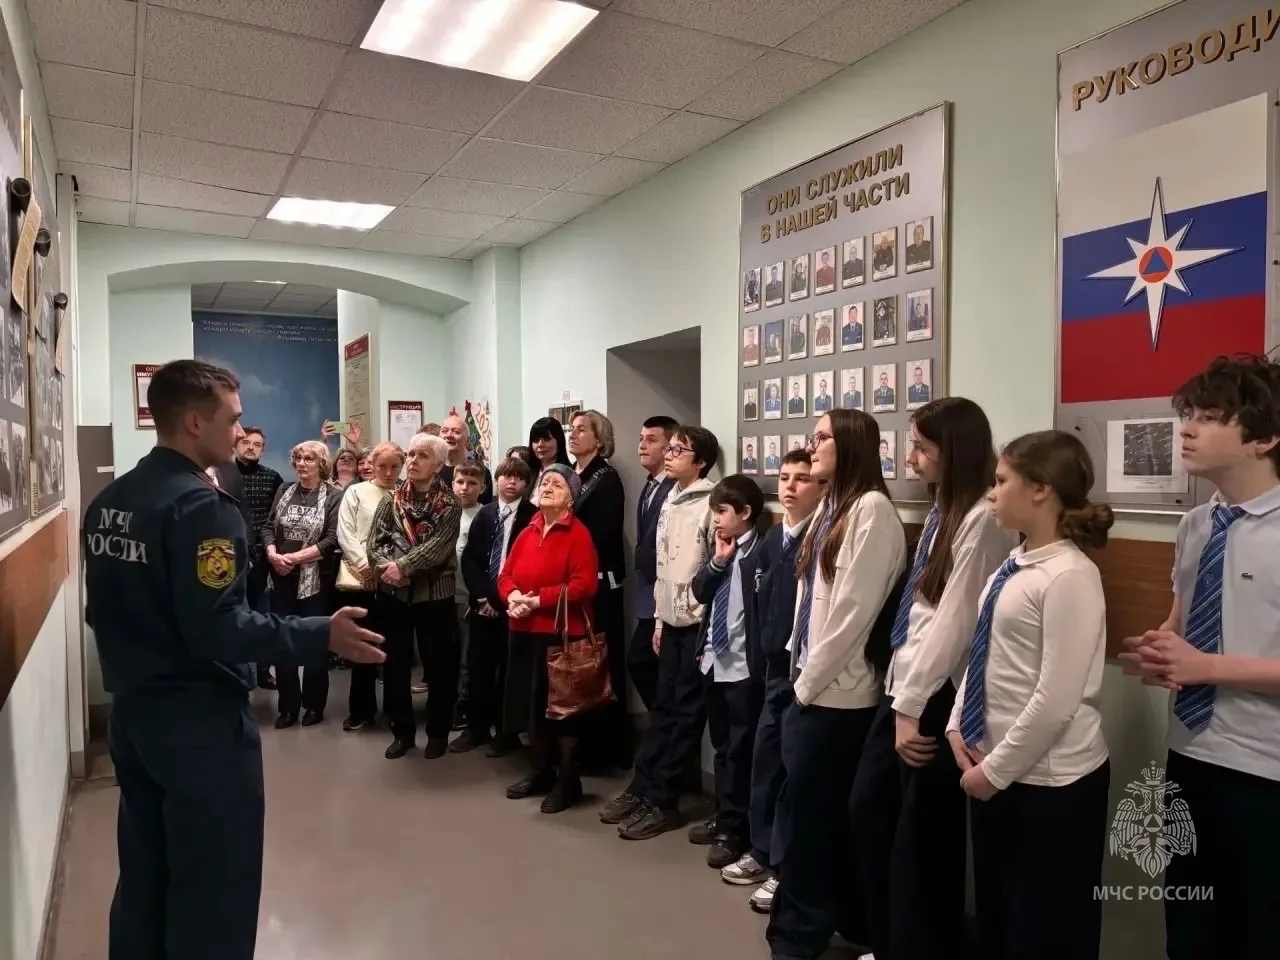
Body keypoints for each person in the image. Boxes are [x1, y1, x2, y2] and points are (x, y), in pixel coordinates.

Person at [83, 359, 384, 960]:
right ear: (195, 422)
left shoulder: (113, 499)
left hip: (134, 716)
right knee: (213, 889)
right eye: (233, 419)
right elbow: (219, 627)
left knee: (145, 875)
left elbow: (102, 611)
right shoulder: (202, 508)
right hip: (198, 723)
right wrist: (318, 635)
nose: (241, 431)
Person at [1119, 354, 1280, 960]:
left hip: (1266, 770)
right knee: (1190, 933)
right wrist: (1161, 649)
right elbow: (1182, 622)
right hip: (1190, 753)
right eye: (1190, 414)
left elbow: (1206, 659)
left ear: (1265, 437)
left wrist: (1207, 667)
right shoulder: (1195, 524)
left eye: (1211, 418)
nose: (1187, 429)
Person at [849, 398, 1015, 960]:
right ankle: (893, 938)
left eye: (921, 447)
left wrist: (910, 706)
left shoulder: (982, 519)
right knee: (874, 810)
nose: (910, 457)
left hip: (937, 692)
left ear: (954, 451)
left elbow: (956, 621)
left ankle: (916, 945)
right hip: (908, 683)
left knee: (921, 833)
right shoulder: (945, 508)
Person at [947, 430, 1112, 960]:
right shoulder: (1013, 564)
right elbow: (984, 654)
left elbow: (1056, 699)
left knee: (1046, 927)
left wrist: (993, 773)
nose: (992, 493)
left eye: (1001, 482)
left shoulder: (1069, 575)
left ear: (1041, 489)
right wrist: (956, 724)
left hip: (1050, 783)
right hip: (996, 770)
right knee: (999, 918)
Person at [766, 408, 906, 960]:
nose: (813, 444)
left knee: (814, 823)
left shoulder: (872, 511)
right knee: (806, 815)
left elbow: (852, 616)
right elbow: (812, 598)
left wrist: (805, 687)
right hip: (810, 683)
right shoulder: (833, 506)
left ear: (850, 444)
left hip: (837, 696)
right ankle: (814, 922)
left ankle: (800, 936)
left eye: (822, 437)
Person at [600, 425, 718, 839]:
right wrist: (660, 619)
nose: (669, 454)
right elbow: (665, 567)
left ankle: (664, 799)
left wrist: (697, 620)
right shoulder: (670, 497)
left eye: (679, 450)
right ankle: (644, 786)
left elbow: (712, 569)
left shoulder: (711, 502)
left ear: (700, 461)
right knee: (663, 709)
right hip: (669, 621)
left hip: (697, 625)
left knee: (684, 713)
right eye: (670, 448)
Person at [722, 450, 822, 912]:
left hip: (804, 673)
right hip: (772, 671)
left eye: (803, 479)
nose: (790, 487)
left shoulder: (820, 537)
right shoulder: (772, 539)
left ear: (821, 487)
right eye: (784, 478)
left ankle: (784, 866)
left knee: (792, 774)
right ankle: (761, 851)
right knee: (765, 763)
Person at [499, 464, 601, 813]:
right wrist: (513, 596)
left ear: (571, 498)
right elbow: (506, 574)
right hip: (523, 630)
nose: (547, 486)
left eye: (557, 484)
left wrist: (538, 600)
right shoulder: (528, 530)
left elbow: (585, 586)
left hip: (561, 636)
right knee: (533, 709)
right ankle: (540, 772)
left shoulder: (579, 534)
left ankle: (568, 782)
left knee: (563, 713)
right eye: (545, 482)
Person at [367, 432, 462, 760]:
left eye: (422, 456)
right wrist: (388, 568)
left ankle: (437, 733)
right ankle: (403, 733)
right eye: (410, 454)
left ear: (438, 464)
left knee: (439, 667)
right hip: (394, 594)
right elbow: (375, 543)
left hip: (434, 596)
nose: (413, 461)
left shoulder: (449, 504)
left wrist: (403, 566)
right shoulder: (391, 500)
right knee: (395, 665)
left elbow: (438, 548)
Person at [690, 475, 765, 869]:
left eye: (721, 511)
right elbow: (700, 591)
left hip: (742, 667)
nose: (716, 519)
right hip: (712, 661)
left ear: (745, 513)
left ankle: (736, 829)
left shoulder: (762, 552)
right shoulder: (722, 546)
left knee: (741, 750)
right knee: (722, 747)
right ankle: (724, 814)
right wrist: (718, 562)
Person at [457, 456, 536, 755]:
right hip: (482, 605)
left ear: (527, 484)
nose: (512, 482)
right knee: (478, 668)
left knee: (510, 673)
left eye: (519, 478)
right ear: (497, 480)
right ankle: (476, 730)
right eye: (507, 476)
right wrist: (482, 596)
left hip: (513, 606)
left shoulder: (532, 516)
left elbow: (528, 566)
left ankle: (506, 733)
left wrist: (500, 600)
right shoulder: (486, 513)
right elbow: (471, 558)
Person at [261, 440, 342, 728]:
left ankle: (314, 706)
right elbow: (268, 527)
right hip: (281, 579)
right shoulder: (284, 490)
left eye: (309, 458)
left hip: (315, 582)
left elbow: (332, 538)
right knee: (283, 645)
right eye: (298, 458)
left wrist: (294, 558)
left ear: (322, 464)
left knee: (313, 646)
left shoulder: (334, 496)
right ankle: (288, 707)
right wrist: (272, 554)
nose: (301, 463)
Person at [568, 409, 630, 767]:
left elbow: (602, 533)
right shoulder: (570, 474)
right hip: (572, 582)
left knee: (601, 661)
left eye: (581, 430)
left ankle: (606, 748)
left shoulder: (605, 478)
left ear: (599, 438)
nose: (573, 435)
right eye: (571, 429)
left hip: (599, 581)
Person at [338, 441, 404, 731]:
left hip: (395, 578)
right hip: (362, 578)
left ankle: (395, 709)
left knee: (393, 647)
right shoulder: (356, 492)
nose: (388, 472)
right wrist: (367, 568)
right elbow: (346, 532)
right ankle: (361, 709)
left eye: (394, 466)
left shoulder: (405, 493)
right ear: (372, 465)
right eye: (382, 466)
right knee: (363, 644)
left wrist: (392, 570)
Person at [629, 416, 678, 710]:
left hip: (664, 593)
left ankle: (663, 723)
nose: (642, 446)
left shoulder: (673, 489)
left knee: (641, 661)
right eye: (640, 439)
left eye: (651, 440)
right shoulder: (650, 485)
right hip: (647, 592)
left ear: (669, 447)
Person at [234, 426, 284, 690]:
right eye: (246, 442)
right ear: (236, 444)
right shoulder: (222, 474)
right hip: (232, 554)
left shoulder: (272, 478)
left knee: (262, 614)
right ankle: (239, 672)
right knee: (235, 614)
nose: (251, 447)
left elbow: (276, 518)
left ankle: (263, 670)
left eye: (257, 444)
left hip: (263, 556)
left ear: (262, 450)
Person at [449, 460, 487, 734]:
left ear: (482, 487)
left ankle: (464, 704)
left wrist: (476, 596)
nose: (465, 488)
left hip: (467, 597)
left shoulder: (484, 516)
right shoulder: (444, 513)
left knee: (466, 654)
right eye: (460, 482)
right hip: (443, 594)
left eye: (472, 483)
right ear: (452, 484)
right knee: (447, 654)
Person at [439, 413, 494, 504]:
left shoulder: (479, 471)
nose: (449, 435)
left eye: (456, 432)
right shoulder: (432, 470)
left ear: (467, 440)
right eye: (444, 431)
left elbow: (485, 508)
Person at [528, 416, 571, 490]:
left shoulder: (570, 475)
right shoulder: (528, 475)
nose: (540, 445)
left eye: (546, 439)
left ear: (559, 441)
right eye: (536, 440)